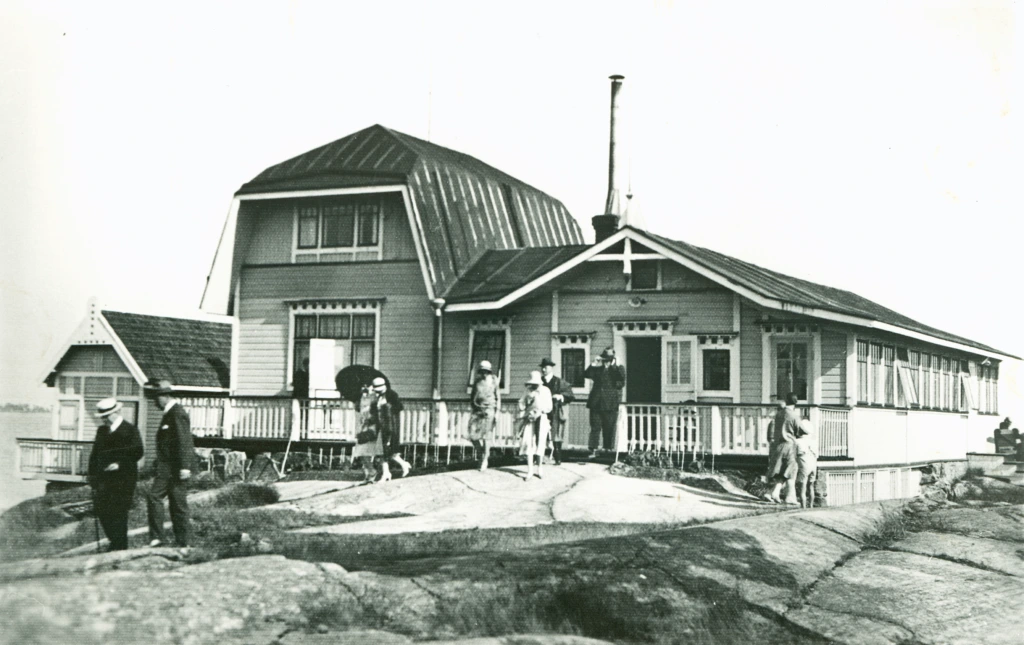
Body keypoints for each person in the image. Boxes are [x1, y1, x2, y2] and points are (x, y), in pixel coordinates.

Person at [144, 379, 197, 553]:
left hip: (176, 468)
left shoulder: (176, 413)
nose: (154, 402)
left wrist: (185, 466)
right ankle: (159, 538)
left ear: (165, 396)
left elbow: (184, 440)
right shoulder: (170, 414)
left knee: (177, 503)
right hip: (167, 468)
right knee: (156, 497)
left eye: (156, 398)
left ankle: (184, 542)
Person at [87, 398, 144, 551]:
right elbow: (95, 455)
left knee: (118, 512)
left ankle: (120, 546)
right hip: (104, 479)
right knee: (102, 511)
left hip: (123, 479)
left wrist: (119, 464)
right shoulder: (102, 431)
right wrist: (91, 475)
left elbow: (138, 452)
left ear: (116, 412)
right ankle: (115, 542)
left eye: (106, 416)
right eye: (102, 417)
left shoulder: (130, 430)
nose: (104, 420)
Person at [583, 347, 626, 457]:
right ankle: (593, 450)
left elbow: (621, 379)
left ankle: (607, 450)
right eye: (605, 359)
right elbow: (586, 374)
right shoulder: (597, 369)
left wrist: (614, 366)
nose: (606, 362)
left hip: (610, 404)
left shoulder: (619, 369)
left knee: (609, 427)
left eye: (609, 359)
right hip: (596, 403)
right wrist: (593, 363)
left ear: (613, 359)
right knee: (595, 427)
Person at [368, 376, 410, 482]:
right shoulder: (378, 397)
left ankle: (403, 465)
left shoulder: (391, 395)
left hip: (390, 427)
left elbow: (398, 408)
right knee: (382, 452)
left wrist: (387, 407)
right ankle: (386, 473)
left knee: (390, 453)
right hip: (380, 427)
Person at [765, 392, 801, 505]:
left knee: (780, 471)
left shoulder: (778, 415)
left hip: (777, 446)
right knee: (790, 470)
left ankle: (773, 493)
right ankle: (789, 497)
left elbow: (770, 435)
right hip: (788, 445)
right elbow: (800, 430)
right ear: (796, 402)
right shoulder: (793, 415)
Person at [517, 371, 553, 480]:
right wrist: (525, 410)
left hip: (541, 419)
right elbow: (521, 402)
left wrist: (540, 411)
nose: (534, 386)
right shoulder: (527, 391)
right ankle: (530, 470)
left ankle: (540, 468)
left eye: (536, 384)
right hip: (529, 419)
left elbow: (549, 406)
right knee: (529, 443)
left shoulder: (546, 391)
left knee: (540, 442)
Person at [539, 358, 575, 465]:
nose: (543, 369)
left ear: (551, 368)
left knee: (556, 435)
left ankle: (558, 458)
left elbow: (571, 395)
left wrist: (561, 396)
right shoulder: (539, 381)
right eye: (542, 367)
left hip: (555, 411)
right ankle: (541, 458)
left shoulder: (559, 382)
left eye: (546, 367)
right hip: (542, 411)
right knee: (541, 433)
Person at [468, 360, 500, 471]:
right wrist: (474, 408)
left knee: (487, 436)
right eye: (482, 371)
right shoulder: (477, 382)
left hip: (489, 410)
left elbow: (498, 398)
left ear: (489, 372)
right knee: (472, 435)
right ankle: (481, 453)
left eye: (486, 372)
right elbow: (472, 397)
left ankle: (485, 460)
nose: (484, 374)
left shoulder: (494, 381)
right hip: (478, 409)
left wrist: (497, 412)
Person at [353, 384, 385, 484]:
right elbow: (359, 411)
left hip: (371, 427)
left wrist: (370, 417)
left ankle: (372, 472)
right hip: (363, 427)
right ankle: (369, 472)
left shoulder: (375, 398)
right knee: (360, 452)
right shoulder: (360, 398)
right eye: (363, 386)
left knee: (366, 451)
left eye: (367, 386)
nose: (365, 388)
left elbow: (378, 412)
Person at [794, 418, 818, 508]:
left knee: (802, 487)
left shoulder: (797, 441)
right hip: (813, 465)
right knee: (811, 486)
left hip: (804, 466)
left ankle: (803, 507)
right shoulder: (813, 441)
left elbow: (794, 454)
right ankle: (811, 506)